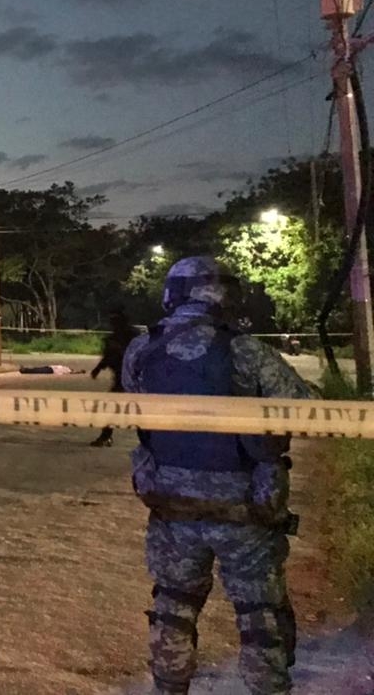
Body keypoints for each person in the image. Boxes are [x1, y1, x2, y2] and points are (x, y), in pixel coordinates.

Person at [122, 256, 314, 695]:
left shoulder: (143, 349)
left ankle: (170, 686)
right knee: (259, 612)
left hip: (171, 507)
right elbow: (308, 410)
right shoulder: (246, 350)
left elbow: (138, 403)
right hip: (245, 509)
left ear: (175, 293)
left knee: (174, 604)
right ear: (225, 295)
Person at [89, 308, 135, 447]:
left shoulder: (130, 337)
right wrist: (98, 368)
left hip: (131, 378)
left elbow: (111, 356)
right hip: (123, 378)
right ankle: (105, 436)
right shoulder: (115, 339)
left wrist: (98, 368)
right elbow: (108, 357)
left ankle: (105, 437)